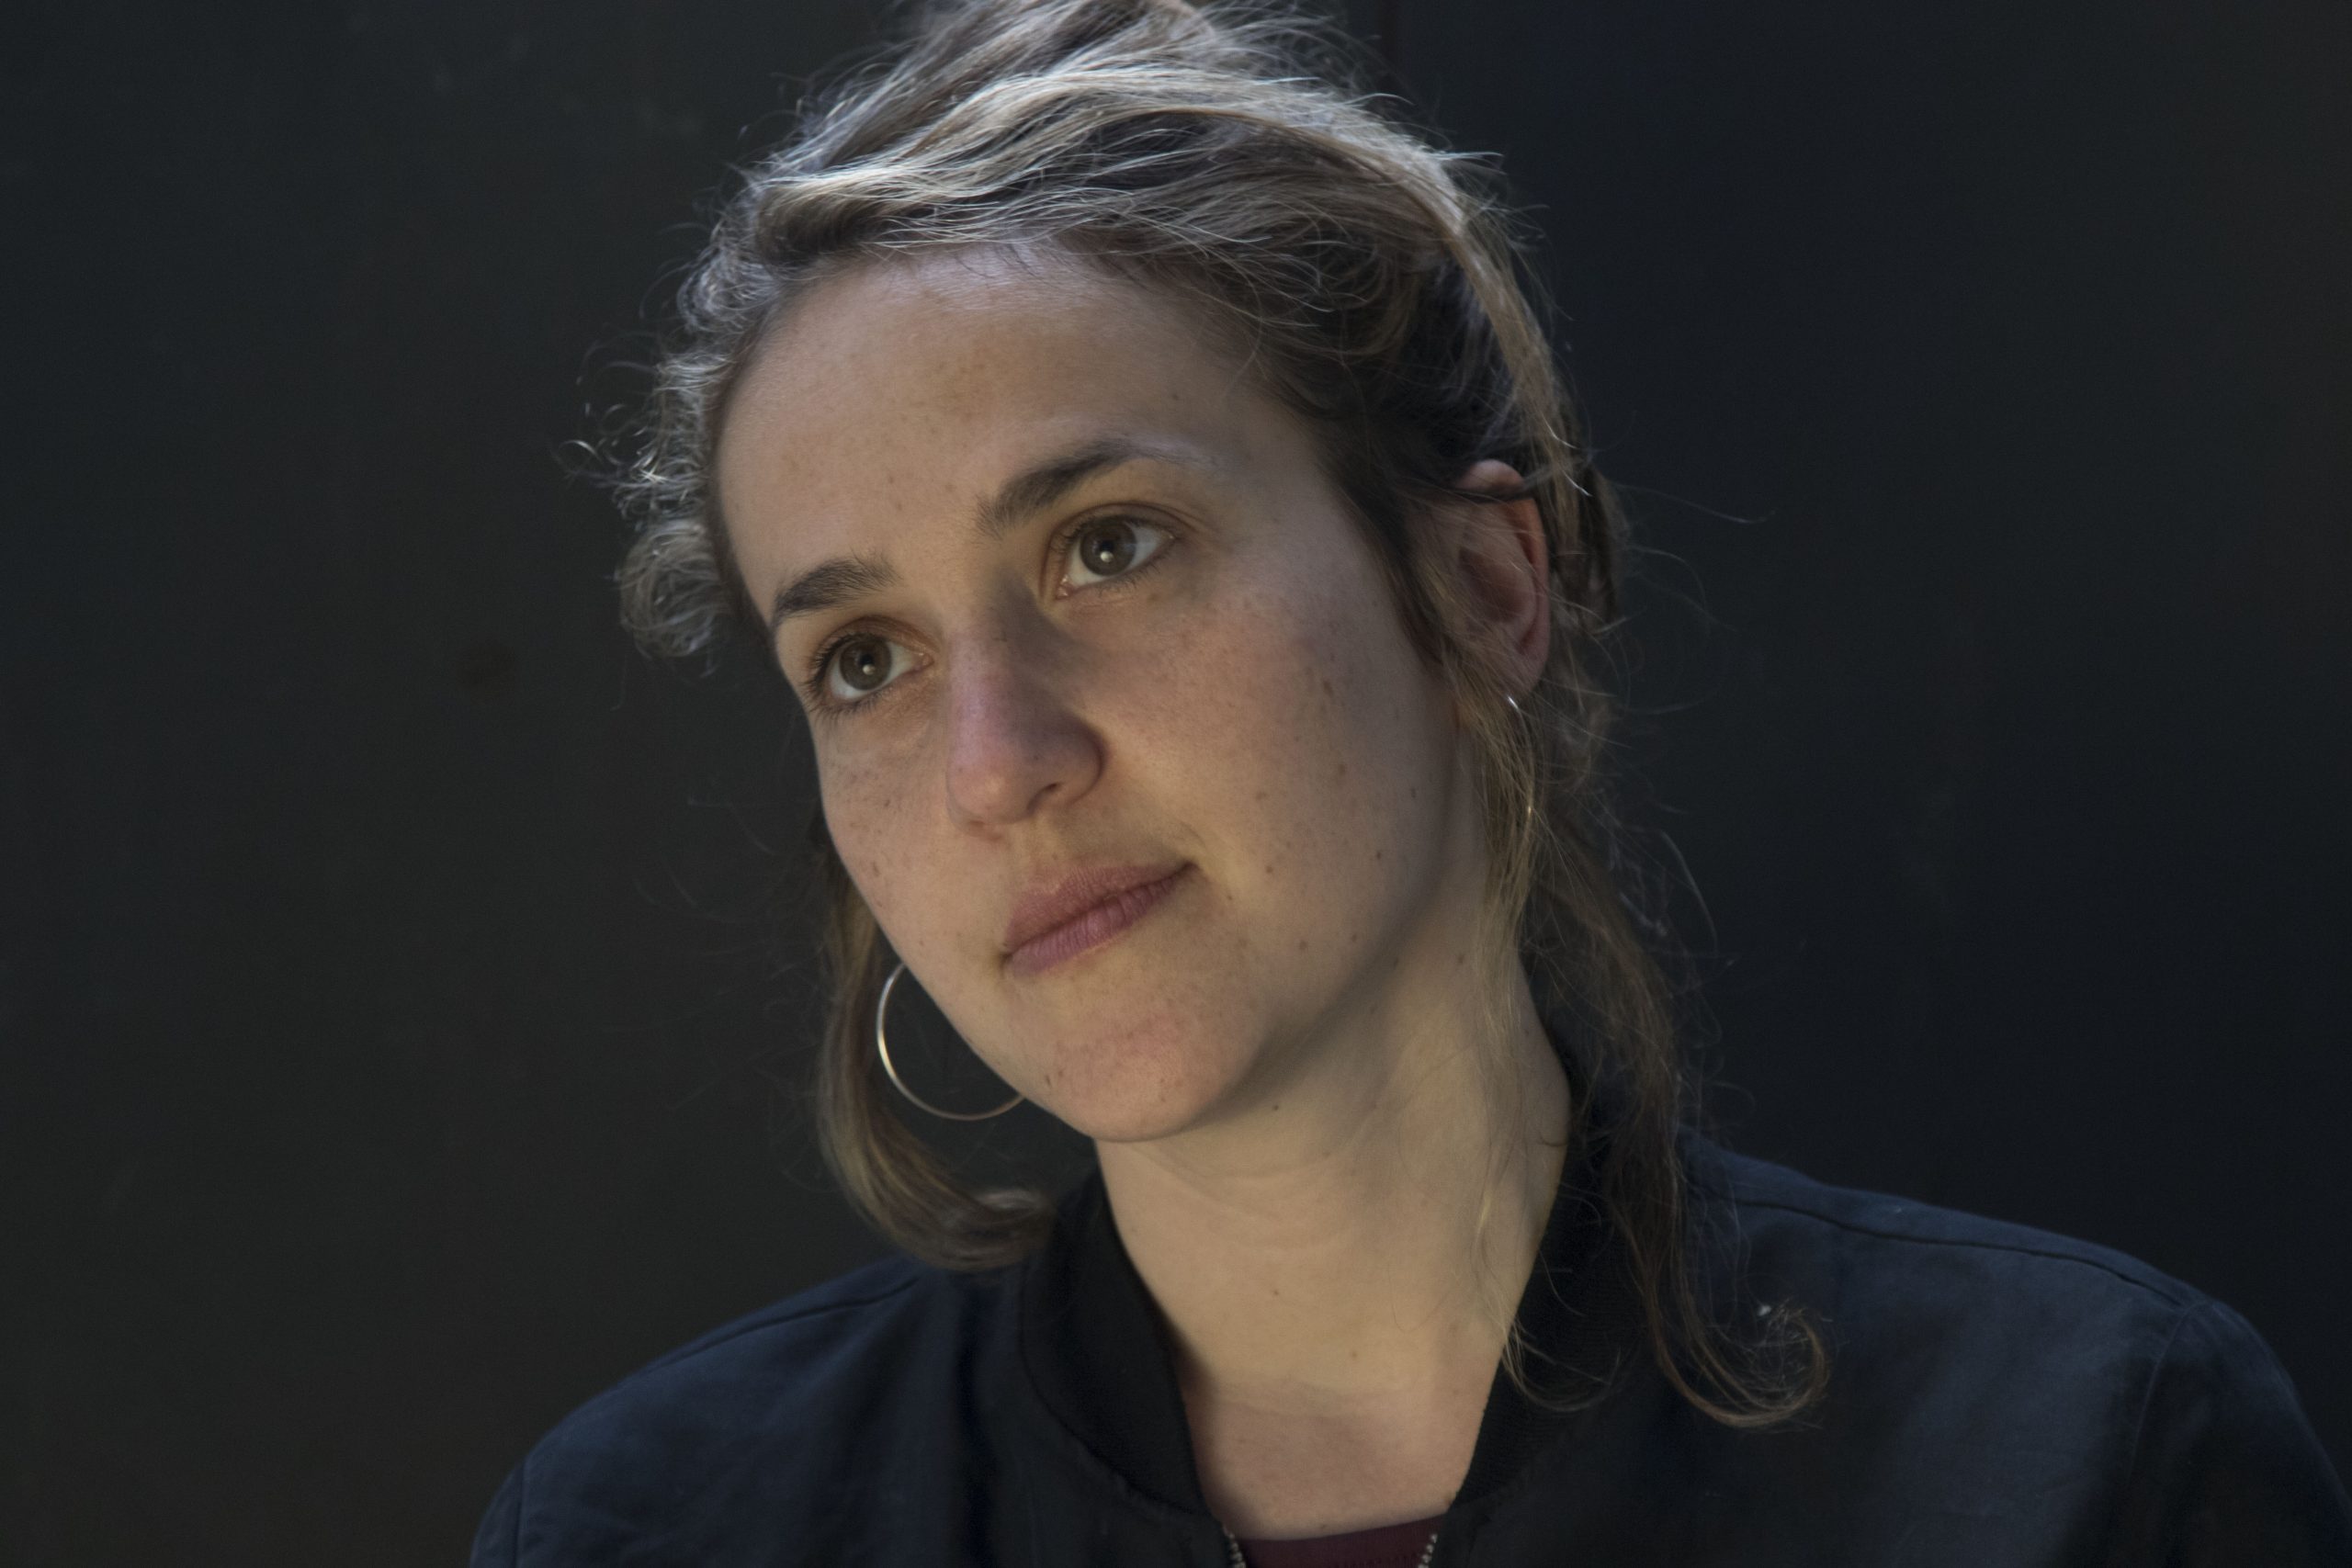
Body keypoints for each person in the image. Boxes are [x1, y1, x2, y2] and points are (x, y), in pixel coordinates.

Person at [469, 1, 2352, 1562]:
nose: (998, 767)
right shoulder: (655, 1529)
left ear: (1476, 591)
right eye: (863, 660)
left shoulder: (2078, 1460)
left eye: (1108, 545)